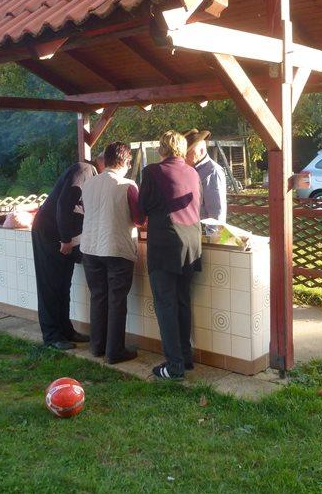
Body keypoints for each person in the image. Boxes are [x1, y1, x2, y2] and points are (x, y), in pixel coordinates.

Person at [139, 131, 202, 380]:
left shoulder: (152, 172)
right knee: (182, 301)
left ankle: (174, 366)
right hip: (192, 244)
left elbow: (141, 209)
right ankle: (185, 358)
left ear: (161, 149)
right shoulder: (193, 172)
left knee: (165, 305)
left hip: (165, 245)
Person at [80, 142, 145, 364]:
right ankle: (114, 351)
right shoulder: (128, 186)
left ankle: (97, 346)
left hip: (90, 249)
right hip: (117, 249)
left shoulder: (89, 183)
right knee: (117, 301)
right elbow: (139, 219)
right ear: (125, 162)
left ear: (105, 160)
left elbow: (88, 211)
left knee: (98, 297)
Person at [31, 158, 102, 350]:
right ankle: (52, 336)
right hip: (49, 233)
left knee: (63, 285)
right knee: (50, 286)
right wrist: (65, 239)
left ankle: (66, 331)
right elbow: (64, 204)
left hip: (63, 236)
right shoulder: (84, 169)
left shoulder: (90, 174)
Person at [184, 129, 227, 235]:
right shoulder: (189, 169)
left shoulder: (212, 171)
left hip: (203, 234)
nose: (184, 156)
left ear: (201, 151)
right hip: (190, 232)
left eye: (188, 152)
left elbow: (216, 211)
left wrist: (212, 238)